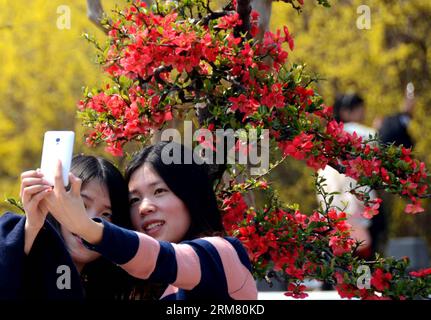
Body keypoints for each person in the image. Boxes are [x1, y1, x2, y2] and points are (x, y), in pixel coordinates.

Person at [43, 141, 258, 300]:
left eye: (159, 191)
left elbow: (163, 257)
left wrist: (86, 227)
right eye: (134, 199)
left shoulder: (221, 255)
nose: (144, 207)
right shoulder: (138, 287)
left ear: (191, 196)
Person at [0, 155, 133, 299]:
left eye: (106, 214)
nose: (89, 220)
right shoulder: (19, 243)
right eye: (82, 205)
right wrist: (31, 227)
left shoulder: (112, 286)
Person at [318, 93, 378, 259]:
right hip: (356, 207)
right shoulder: (361, 132)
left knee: (337, 263)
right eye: (359, 109)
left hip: (332, 208)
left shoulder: (325, 136)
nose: (363, 113)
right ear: (346, 111)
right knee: (362, 263)